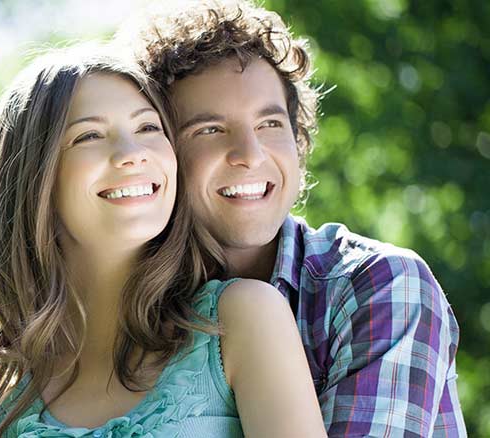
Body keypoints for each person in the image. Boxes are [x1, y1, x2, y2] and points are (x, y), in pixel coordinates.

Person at [0, 44, 326, 437]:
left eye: (147, 128)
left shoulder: (241, 320)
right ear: (34, 179)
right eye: (89, 135)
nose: (132, 153)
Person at [116, 0, 466, 436]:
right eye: (209, 129)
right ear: (159, 154)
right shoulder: (131, 304)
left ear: (298, 141)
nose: (250, 154)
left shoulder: (377, 286)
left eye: (270, 125)